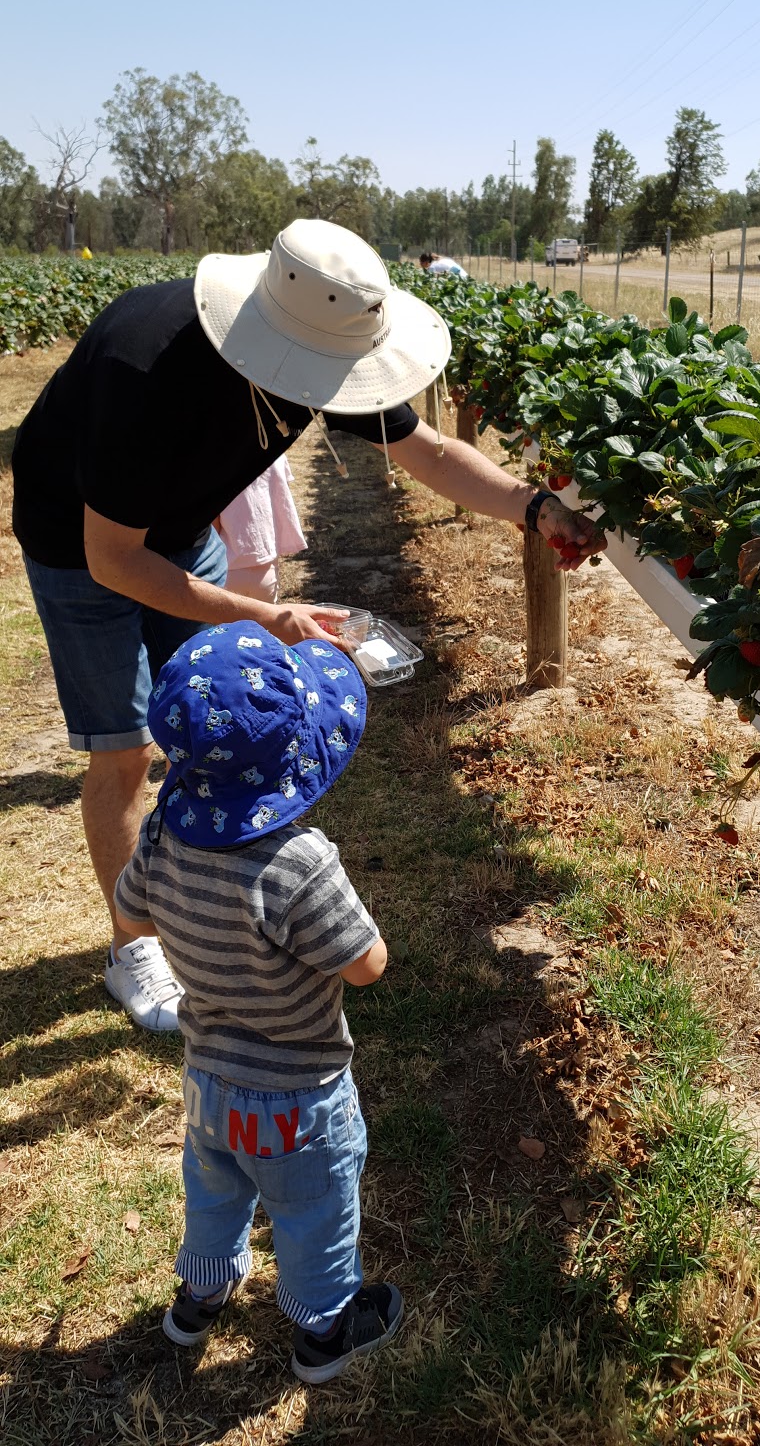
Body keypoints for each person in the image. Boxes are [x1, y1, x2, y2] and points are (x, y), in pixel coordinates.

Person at [12, 218, 605, 1032]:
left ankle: (204, 912)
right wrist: (271, 617)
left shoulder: (318, 346)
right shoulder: (144, 365)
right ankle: (133, 945)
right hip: (80, 548)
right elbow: (114, 559)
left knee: (219, 720)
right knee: (127, 748)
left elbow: (427, 451)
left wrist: (533, 508)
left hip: (183, 533)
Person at [114, 621, 402, 1382]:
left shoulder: (161, 837)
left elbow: (133, 915)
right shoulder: (299, 865)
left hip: (209, 1079)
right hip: (299, 1096)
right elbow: (367, 965)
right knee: (314, 1216)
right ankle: (325, 1332)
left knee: (214, 1193)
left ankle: (197, 1301)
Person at [215, 458, 307, 604]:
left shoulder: (215, 457)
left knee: (224, 626)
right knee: (262, 625)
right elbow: (279, 499)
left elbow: (212, 526)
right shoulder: (275, 453)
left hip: (225, 569)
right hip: (266, 566)